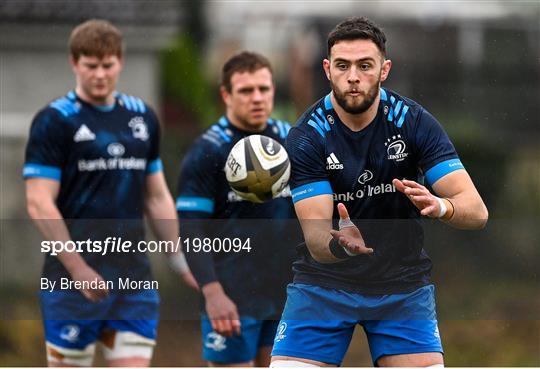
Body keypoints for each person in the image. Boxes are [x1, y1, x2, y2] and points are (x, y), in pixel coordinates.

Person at [270, 17, 488, 367]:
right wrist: (341, 245)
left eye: (365, 65)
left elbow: (476, 211)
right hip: (323, 287)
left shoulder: (414, 122)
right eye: (342, 65)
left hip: (401, 288)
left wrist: (442, 206)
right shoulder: (307, 136)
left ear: (384, 70)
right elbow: (315, 239)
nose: (353, 76)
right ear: (327, 69)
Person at [23, 19, 196, 367]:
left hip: (132, 279)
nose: (100, 74)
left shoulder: (142, 117)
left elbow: (156, 197)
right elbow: (38, 200)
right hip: (69, 283)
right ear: (75, 63)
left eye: (107, 65)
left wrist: (180, 260)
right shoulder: (55, 121)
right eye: (90, 66)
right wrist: (78, 268)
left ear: (120, 61)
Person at [176, 51, 298, 367]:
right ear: (226, 95)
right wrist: (212, 293)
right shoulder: (208, 151)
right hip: (233, 297)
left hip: (288, 296)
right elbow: (190, 228)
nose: (257, 98)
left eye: (264, 89)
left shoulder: (292, 141)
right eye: (246, 91)